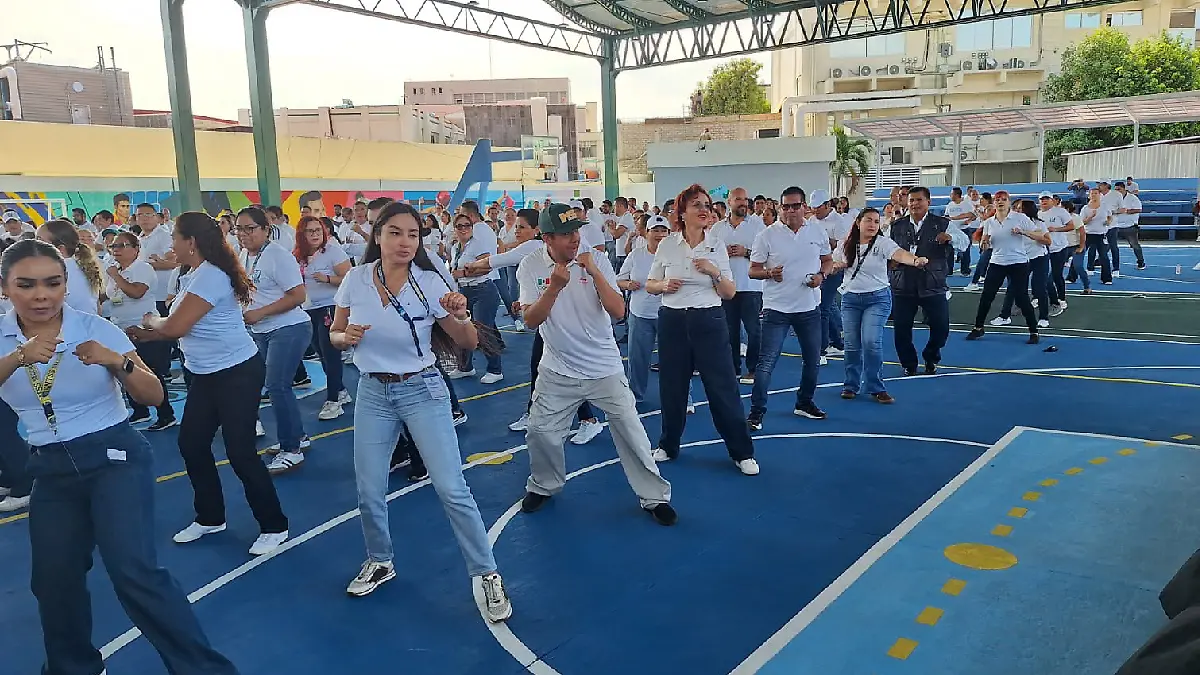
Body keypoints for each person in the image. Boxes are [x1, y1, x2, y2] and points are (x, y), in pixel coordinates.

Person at [0, 239, 240, 675]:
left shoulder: (93, 328)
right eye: (26, 285)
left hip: (113, 456)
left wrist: (116, 362)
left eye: (52, 283)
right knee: (53, 579)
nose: (41, 296)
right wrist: (18, 357)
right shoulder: (2, 336)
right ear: (5, 288)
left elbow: (154, 394)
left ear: (66, 284)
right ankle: (73, 668)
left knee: (134, 572)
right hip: (50, 467)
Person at [329, 201, 512, 621]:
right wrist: (345, 337)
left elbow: (467, 342)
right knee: (369, 488)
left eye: (413, 234)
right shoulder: (356, 279)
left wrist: (460, 316)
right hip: (373, 392)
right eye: (395, 232)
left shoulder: (430, 281)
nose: (405, 242)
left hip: (422, 389)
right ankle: (380, 560)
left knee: (451, 487)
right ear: (378, 236)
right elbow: (336, 333)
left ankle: (486, 573)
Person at [129, 212, 290, 556]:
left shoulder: (211, 276)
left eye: (175, 238)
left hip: (236, 372)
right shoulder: (191, 274)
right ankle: (210, 517)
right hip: (203, 373)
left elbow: (175, 327)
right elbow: (184, 326)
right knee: (192, 444)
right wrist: (149, 333)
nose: (171, 244)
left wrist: (152, 321)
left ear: (191, 242)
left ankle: (274, 525)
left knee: (240, 451)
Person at [516, 203, 677, 522]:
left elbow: (618, 311)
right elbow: (531, 320)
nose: (575, 238)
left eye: (576, 230)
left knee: (632, 432)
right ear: (547, 238)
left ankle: (654, 497)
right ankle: (544, 484)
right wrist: (554, 287)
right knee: (539, 431)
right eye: (566, 234)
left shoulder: (596, 259)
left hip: (604, 368)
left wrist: (594, 272)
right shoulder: (531, 266)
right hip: (557, 369)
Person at [647, 185, 758, 475]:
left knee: (723, 388)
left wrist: (714, 271)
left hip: (709, 320)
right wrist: (663, 285)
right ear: (682, 212)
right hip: (672, 321)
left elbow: (729, 292)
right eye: (696, 205)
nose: (704, 210)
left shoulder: (716, 245)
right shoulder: (667, 244)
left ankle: (742, 452)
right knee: (672, 388)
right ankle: (668, 444)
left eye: (707, 205)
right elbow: (650, 284)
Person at [235, 206, 313, 474]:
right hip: (262, 330)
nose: (243, 234)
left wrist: (261, 313)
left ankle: (291, 449)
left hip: (288, 327)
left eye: (250, 228)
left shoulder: (278, 256)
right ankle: (298, 436)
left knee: (277, 386)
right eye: (239, 229)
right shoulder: (244, 255)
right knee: (274, 386)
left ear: (266, 229)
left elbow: (298, 295)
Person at [748, 186, 830, 429]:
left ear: (804, 207)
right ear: (779, 207)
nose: (791, 210)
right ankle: (756, 412)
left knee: (813, 360)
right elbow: (753, 270)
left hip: (809, 307)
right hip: (776, 309)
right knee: (766, 363)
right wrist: (769, 273)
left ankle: (804, 402)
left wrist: (821, 277)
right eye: (786, 206)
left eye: (796, 206)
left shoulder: (816, 231)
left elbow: (827, 261)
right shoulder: (766, 235)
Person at [832, 209, 928, 403]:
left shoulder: (883, 243)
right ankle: (851, 384)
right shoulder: (845, 244)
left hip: (878, 299)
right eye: (868, 220)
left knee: (871, 341)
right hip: (850, 299)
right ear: (858, 222)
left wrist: (915, 260)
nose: (873, 225)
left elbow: (899, 254)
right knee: (851, 344)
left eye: (876, 222)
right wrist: (835, 266)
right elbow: (834, 263)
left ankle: (876, 387)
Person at [103, 230, 177, 429]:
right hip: (120, 327)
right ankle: (140, 411)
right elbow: (109, 295)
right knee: (126, 370)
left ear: (136, 249)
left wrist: (115, 276)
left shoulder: (142, 268)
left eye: (122, 245)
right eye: (113, 246)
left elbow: (136, 292)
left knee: (150, 372)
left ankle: (166, 414)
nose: (116, 250)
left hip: (143, 328)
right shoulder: (115, 270)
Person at [887, 187, 960, 375]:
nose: (914, 204)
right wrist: (890, 261)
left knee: (941, 327)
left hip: (933, 283)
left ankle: (931, 356)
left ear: (929, 202)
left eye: (919, 200)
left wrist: (950, 237)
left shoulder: (943, 223)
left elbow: (964, 242)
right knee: (901, 329)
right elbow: (884, 249)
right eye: (911, 200)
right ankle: (908, 363)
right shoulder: (896, 226)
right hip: (903, 284)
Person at [966, 190, 1046, 344]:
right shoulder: (989, 222)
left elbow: (1040, 235)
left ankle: (1033, 331)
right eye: (997, 199)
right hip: (997, 262)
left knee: (1022, 298)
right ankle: (978, 327)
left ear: (1009, 202)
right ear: (994, 203)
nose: (1000, 201)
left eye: (1004, 199)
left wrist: (1023, 232)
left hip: (1018, 262)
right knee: (986, 296)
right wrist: (984, 243)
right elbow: (984, 245)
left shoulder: (1020, 218)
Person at [36, 219, 102, 314]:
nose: (34, 245)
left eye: (39, 241)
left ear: (60, 249)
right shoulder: (82, 266)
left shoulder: (55, 272)